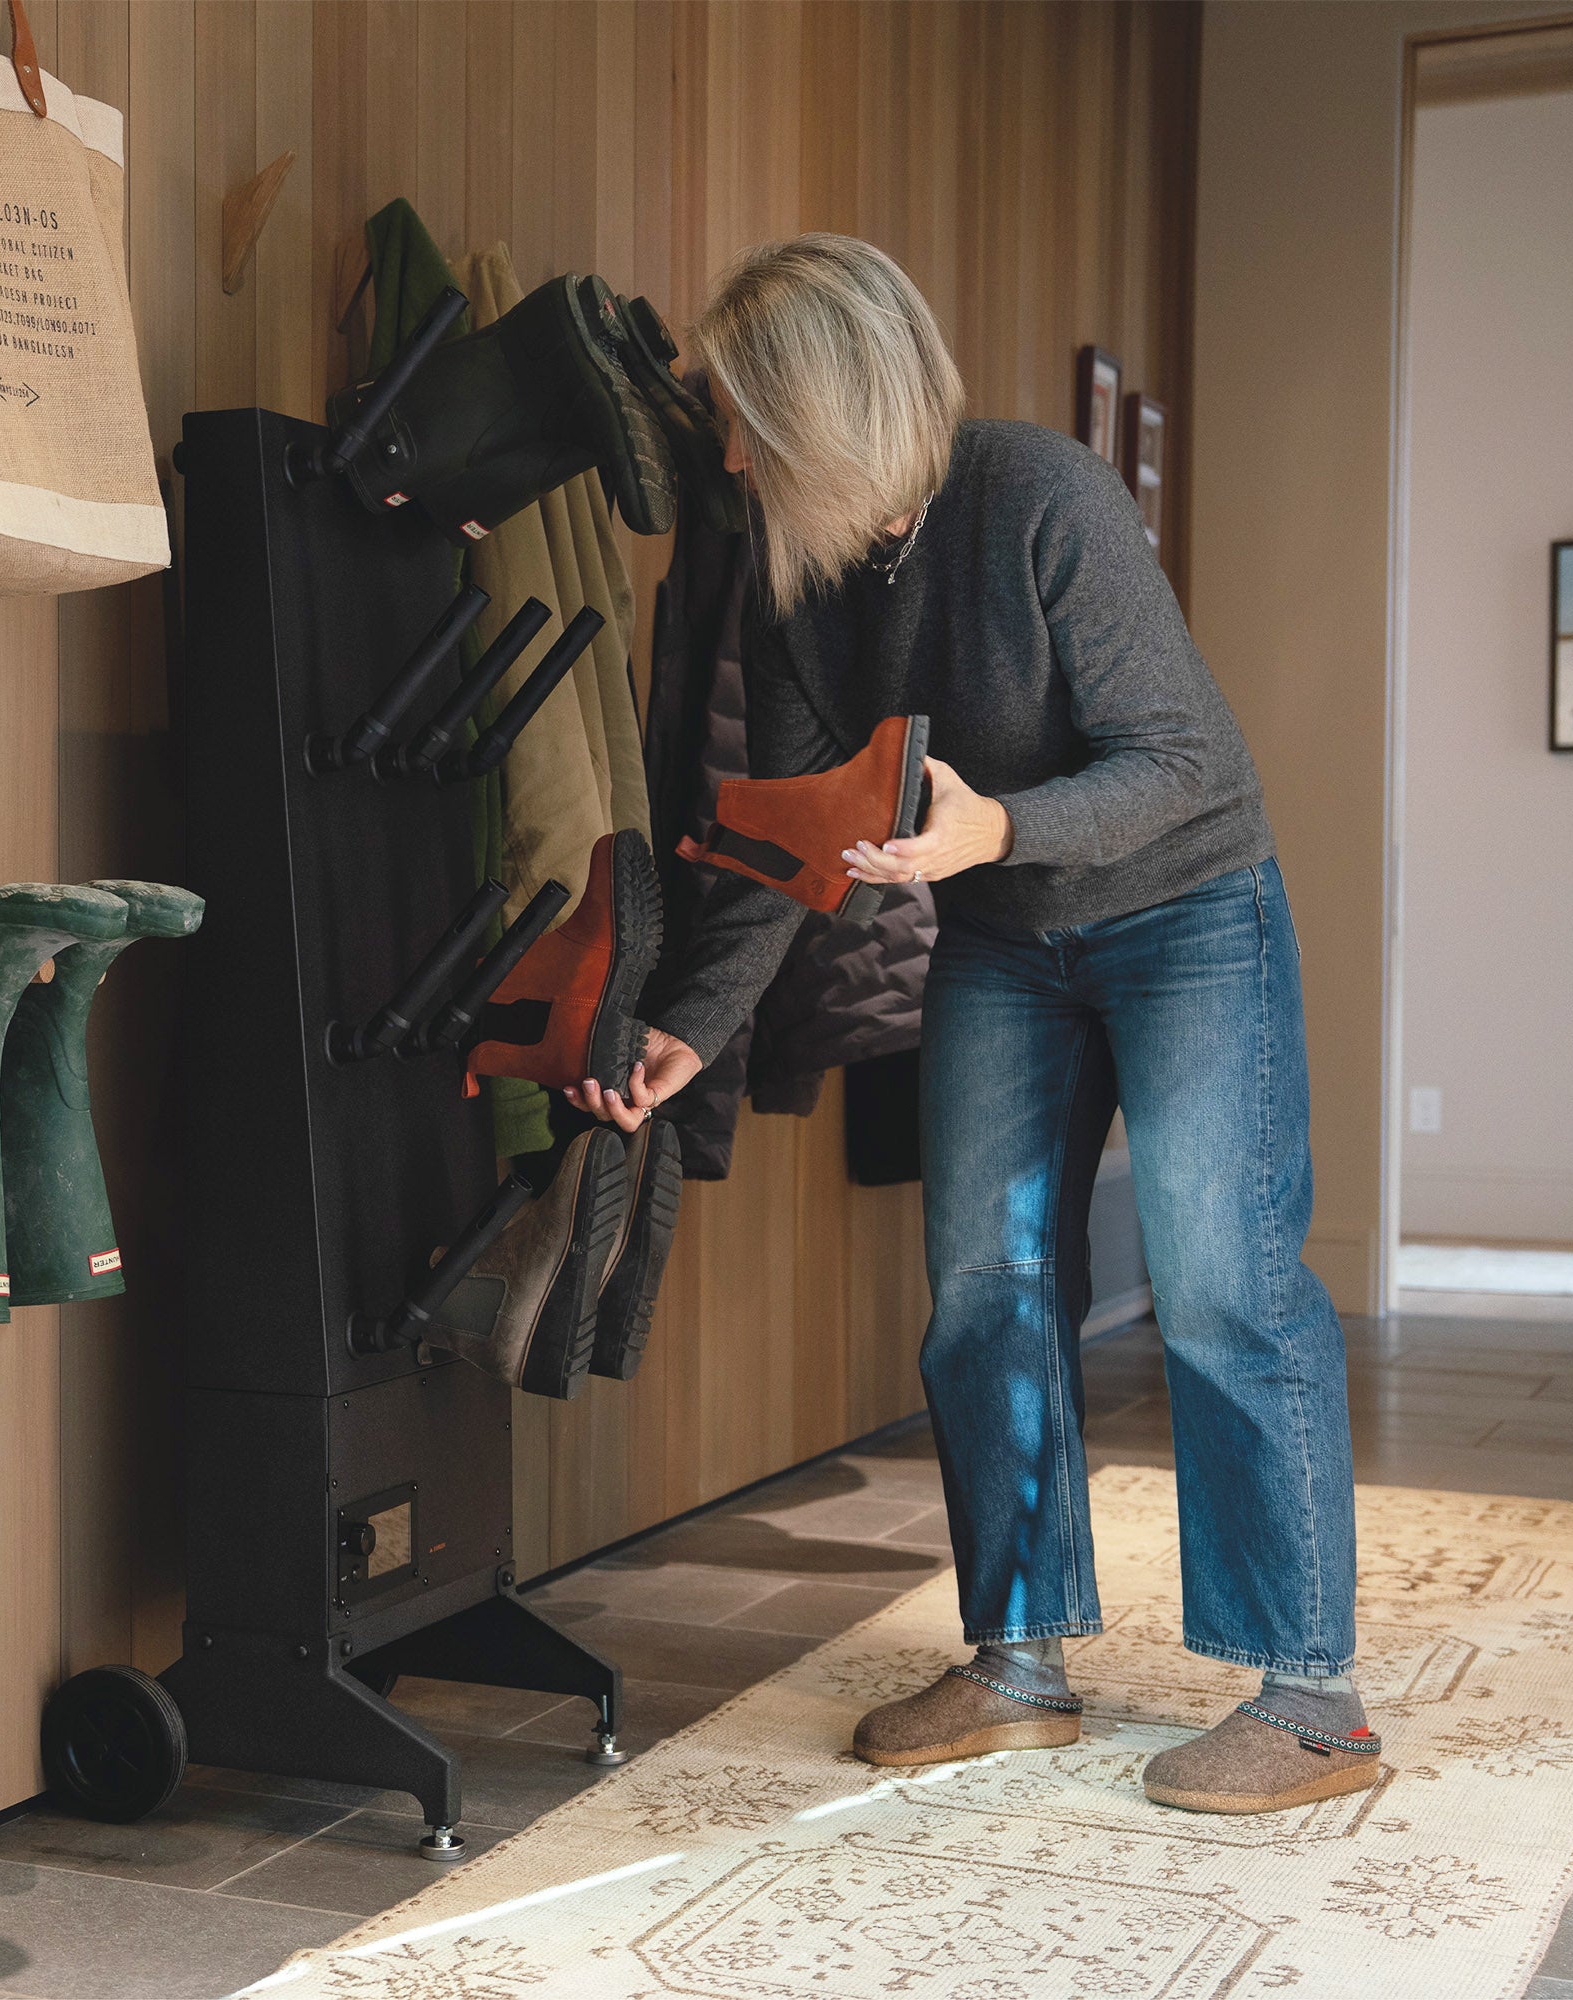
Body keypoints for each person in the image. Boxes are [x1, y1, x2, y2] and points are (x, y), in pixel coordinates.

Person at [567, 233, 1377, 1816]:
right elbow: (797, 837)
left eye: (740, 417)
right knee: (982, 1284)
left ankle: (1312, 1702)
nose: (723, 451)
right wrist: (694, 1031)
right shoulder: (796, 573)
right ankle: (1019, 1660)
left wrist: (995, 829)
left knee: (1221, 1281)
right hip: (1007, 947)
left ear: (816, 411)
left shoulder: (1042, 498)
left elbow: (1188, 760)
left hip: (1188, 914)